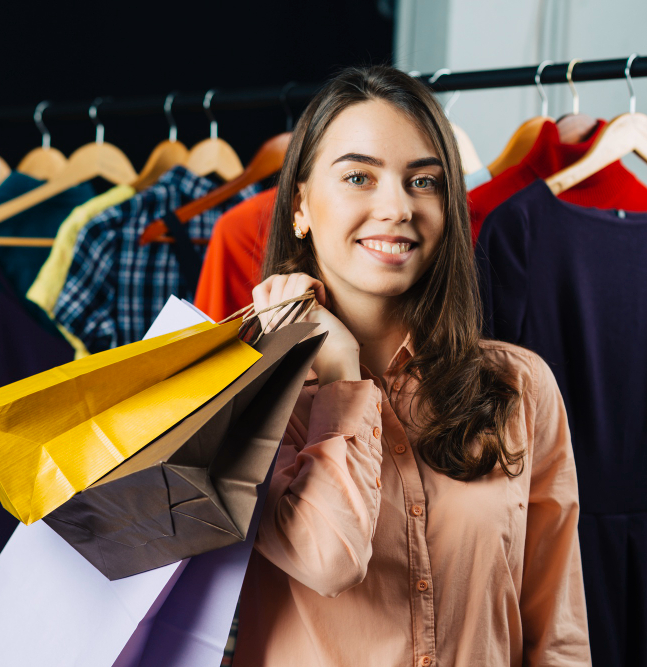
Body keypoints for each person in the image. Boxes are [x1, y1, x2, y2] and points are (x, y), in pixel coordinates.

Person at [234, 66, 591, 666]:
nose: (397, 208)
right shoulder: (243, 395)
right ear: (299, 204)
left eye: (422, 181)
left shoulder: (518, 387)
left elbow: (555, 632)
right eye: (358, 177)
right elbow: (329, 559)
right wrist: (343, 378)